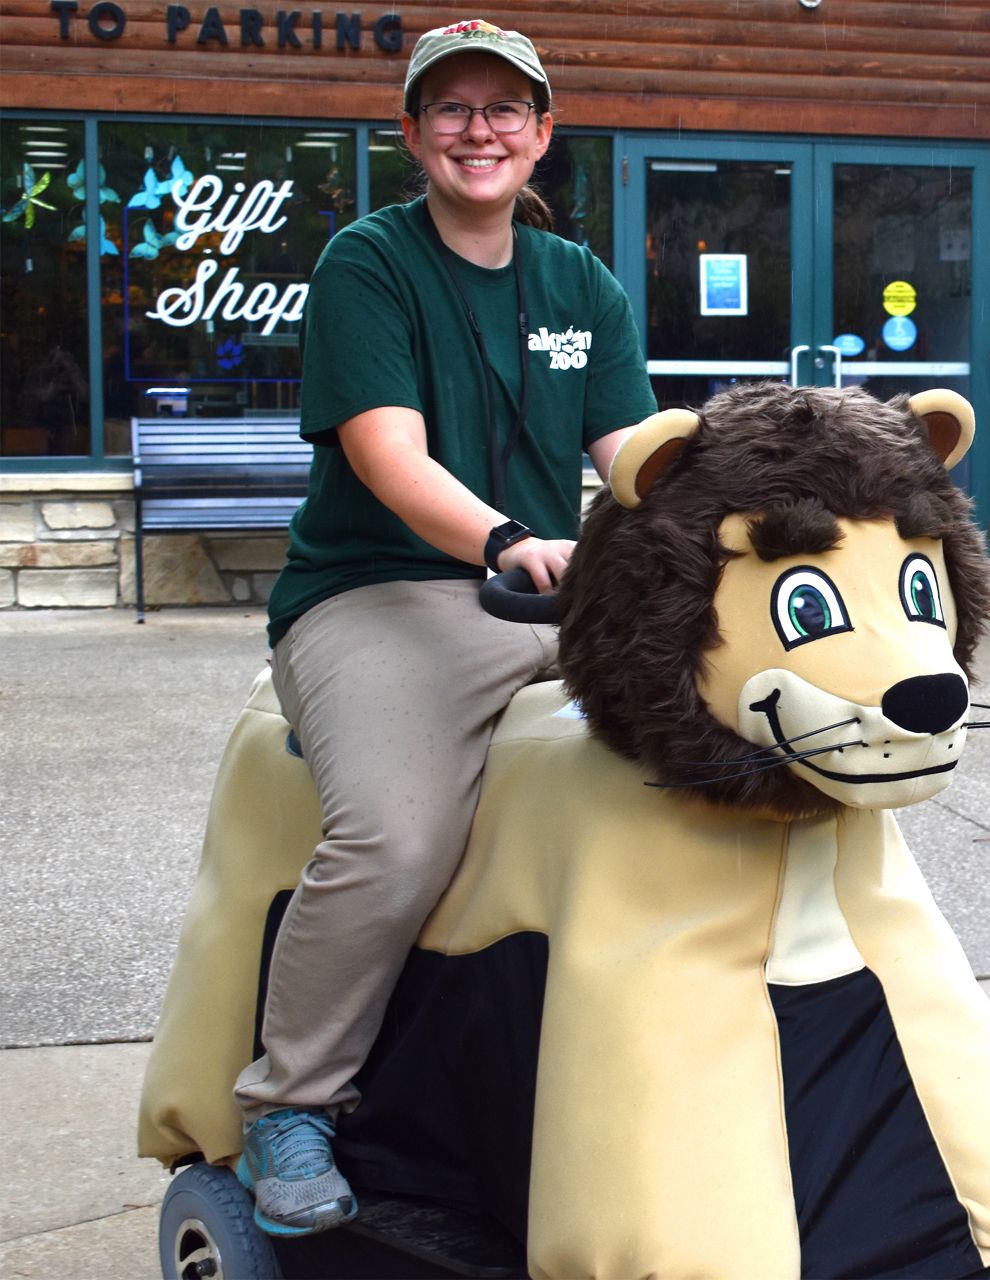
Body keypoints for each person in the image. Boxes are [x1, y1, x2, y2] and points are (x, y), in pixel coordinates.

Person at [231, 18, 658, 1238]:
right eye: (453, 110)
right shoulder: (368, 264)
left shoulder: (581, 280)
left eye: (504, 109)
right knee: (396, 835)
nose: (481, 130)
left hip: (553, 588)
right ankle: (290, 1100)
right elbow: (387, 456)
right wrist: (500, 538)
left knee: (723, 759)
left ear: (542, 135)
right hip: (381, 592)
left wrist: (708, 501)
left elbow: (624, 452)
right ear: (413, 133)